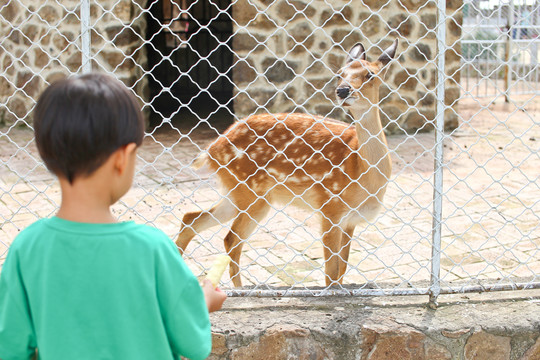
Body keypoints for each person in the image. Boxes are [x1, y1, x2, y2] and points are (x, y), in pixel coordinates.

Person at [0, 73, 227, 360]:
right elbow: (194, 345)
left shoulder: (27, 249)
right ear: (123, 157)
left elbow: (9, 348)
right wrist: (202, 302)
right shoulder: (154, 249)